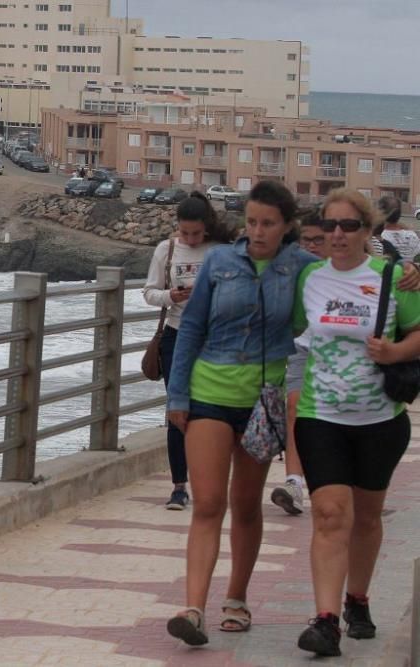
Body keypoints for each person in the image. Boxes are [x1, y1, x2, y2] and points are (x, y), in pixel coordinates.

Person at [164, 180, 317, 646]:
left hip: (261, 401)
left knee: (245, 505)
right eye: (251, 222)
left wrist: (409, 274)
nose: (258, 231)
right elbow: (190, 328)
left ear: (287, 225)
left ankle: (237, 598)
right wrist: (177, 396)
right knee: (208, 503)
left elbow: (355, 284)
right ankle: (193, 609)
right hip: (209, 391)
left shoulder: (302, 268)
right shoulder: (219, 261)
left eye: (268, 223)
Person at [292, 188, 420, 657]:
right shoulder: (307, 277)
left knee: (366, 518)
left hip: (380, 419)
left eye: (349, 226)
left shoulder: (392, 276)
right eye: (329, 226)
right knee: (329, 516)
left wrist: (396, 351)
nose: (338, 235)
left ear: (368, 231)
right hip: (319, 415)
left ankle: (357, 599)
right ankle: (325, 621)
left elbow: (418, 333)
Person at [143, 192, 233, 511]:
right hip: (176, 335)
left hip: (214, 339)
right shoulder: (165, 251)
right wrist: (173, 296)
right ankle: (179, 486)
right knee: (177, 411)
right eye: (185, 233)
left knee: (211, 413)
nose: (191, 239)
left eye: (196, 233)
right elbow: (149, 293)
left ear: (207, 228)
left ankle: (211, 481)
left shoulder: (222, 251)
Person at [270, 207, 328, 516]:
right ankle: (294, 483)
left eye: (320, 240)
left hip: (344, 357)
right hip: (302, 348)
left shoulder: (358, 273)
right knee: (294, 407)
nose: (312, 247)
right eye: (307, 240)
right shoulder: (301, 270)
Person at [371, 195, 420, 262]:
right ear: (399, 213)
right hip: (409, 270)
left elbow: (372, 263)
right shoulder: (412, 235)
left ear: (380, 212)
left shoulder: (378, 238)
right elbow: (417, 256)